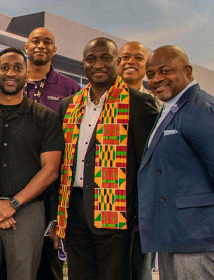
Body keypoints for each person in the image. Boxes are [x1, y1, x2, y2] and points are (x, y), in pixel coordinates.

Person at [54, 37, 159, 280]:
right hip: (74, 210)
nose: (98, 64)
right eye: (91, 59)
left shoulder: (140, 104)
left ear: (118, 62)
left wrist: (138, 215)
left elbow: (148, 165)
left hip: (117, 212)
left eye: (105, 58)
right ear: (84, 64)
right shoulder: (69, 105)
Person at [0, 47, 62, 280]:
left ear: (27, 74)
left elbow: (50, 170)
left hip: (28, 212)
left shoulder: (45, 117)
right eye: (5, 67)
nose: (11, 73)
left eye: (18, 68)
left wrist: (14, 204)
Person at [138, 45, 214, 280]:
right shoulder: (172, 107)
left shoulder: (200, 109)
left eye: (165, 71)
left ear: (187, 71)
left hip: (196, 236)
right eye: (150, 75)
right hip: (174, 234)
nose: (156, 79)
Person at [22, 26, 81, 280]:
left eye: (47, 41)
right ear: (26, 46)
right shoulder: (8, 82)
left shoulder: (70, 88)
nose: (41, 45)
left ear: (55, 49)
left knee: (50, 258)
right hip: (12, 181)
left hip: (53, 187)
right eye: (35, 40)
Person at [116, 40, 156, 280]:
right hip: (106, 208)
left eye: (138, 58)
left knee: (140, 271)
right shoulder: (100, 102)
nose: (130, 62)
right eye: (125, 57)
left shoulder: (156, 104)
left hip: (141, 209)